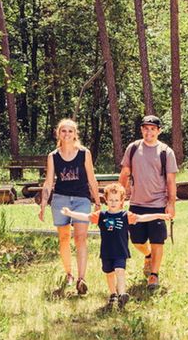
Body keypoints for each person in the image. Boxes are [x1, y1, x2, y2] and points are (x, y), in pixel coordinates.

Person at [60, 182, 169, 309]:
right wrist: (70, 213)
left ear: (122, 201)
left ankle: (122, 294)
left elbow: (142, 218)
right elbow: (85, 217)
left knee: (119, 270)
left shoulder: (125, 216)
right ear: (106, 200)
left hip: (120, 251)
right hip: (106, 252)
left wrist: (159, 215)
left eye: (116, 200)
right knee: (109, 273)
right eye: (111, 200)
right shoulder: (101, 216)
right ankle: (113, 294)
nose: (113, 202)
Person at [38, 118, 100, 296]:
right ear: (58, 134)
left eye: (70, 131)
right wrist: (43, 203)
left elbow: (91, 178)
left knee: (80, 238)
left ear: (75, 134)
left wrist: (97, 201)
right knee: (64, 238)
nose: (67, 134)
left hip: (81, 199)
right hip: (60, 200)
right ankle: (69, 274)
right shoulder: (53, 156)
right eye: (63, 131)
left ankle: (82, 278)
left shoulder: (84, 153)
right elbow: (49, 181)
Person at [118, 115, 177, 291]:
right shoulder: (133, 148)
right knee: (137, 240)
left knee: (158, 240)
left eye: (152, 128)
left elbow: (171, 180)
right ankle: (148, 255)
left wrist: (171, 203)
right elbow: (125, 173)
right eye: (146, 128)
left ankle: (154, 275)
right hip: (137, 203)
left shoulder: (166, 152)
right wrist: (119, 198)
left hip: (158, 203)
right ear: (141, 129)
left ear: (159, 131)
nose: (149, 132)